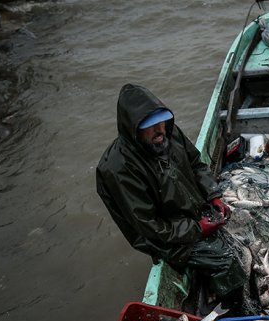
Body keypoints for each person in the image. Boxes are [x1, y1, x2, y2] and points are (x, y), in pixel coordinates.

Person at [96, 84, 248, 309]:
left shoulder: (169, 132)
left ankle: (217, 286)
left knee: (238, 245)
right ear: (134, 130)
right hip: (163, 238)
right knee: (226, 261)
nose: (160, 130)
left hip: (192, 213)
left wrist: (213, 196)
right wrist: (197, 229)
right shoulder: (118, 169)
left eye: (162, 121)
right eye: (151, 126)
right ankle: (235, 311)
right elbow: (150, 227)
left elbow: (196, 164)